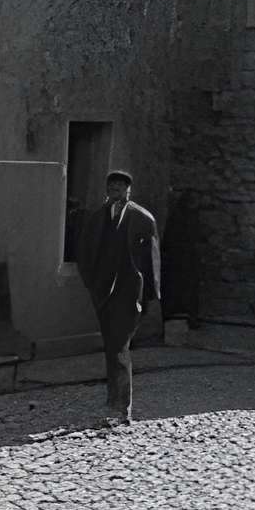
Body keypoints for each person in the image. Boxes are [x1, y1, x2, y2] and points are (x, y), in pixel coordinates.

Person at [73, 169, 161, 426]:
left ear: (129, 190)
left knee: (120, 347)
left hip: (129, 291)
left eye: (121, 186)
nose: (116, 190)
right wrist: (91, 282)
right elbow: (85, 251)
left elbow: (152, 258)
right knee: (112, 348)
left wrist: (150, 294)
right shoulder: (96, 218)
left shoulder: (143, 219)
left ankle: (121, 408)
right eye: (112, 185)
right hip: (103, 293)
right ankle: (116, 404)